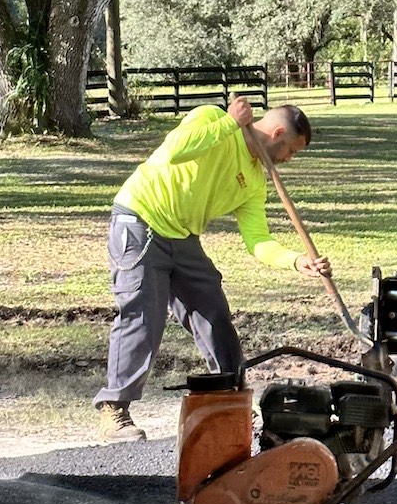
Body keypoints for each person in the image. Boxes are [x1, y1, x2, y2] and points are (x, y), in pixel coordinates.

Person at [93, 97, 330, 441]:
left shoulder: (254, 180)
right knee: (144, 317)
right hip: (140, 221)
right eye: (291, 150)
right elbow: (173, 151)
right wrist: (228, 124)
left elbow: (258, 241)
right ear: (277, 132)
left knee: (214, 312)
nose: (289, 159)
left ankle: (231, 404)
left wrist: (296, 260)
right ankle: (114, 412)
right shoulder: (211, 118)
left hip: (183, 237)